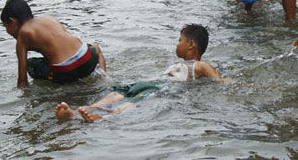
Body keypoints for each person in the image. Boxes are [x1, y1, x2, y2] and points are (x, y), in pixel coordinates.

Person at [54, 24, 221, 123]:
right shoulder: (180, 64)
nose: (177, 45)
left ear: (191, 44)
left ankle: (103, 119)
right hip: (149, 83)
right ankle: (75, 113)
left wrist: (238, 84)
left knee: (133, 102)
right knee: (115, 94)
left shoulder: (199, 65)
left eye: (180, 41)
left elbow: (219, 81)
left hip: (161, 88)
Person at [0, 0, 107, 87]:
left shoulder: (23, 34)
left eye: (6, 26)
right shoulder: (47, 18)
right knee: (95, 47)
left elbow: (22, 80)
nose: (7, 31)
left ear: (13, 21)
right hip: (88, 59)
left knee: (31, 64)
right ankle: (103, 77)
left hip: (65, 72)